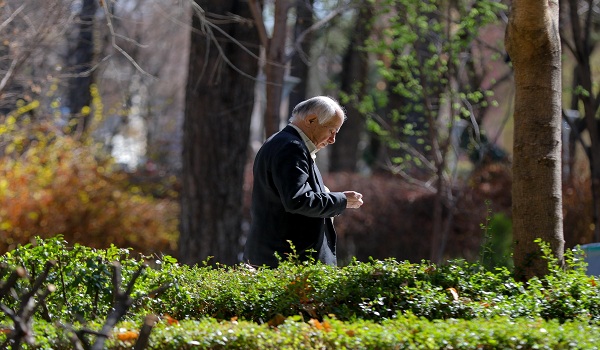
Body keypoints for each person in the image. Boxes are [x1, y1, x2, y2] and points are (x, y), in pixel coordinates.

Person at [243, 96, 364, 268]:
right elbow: (299, 200)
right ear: (311, 120)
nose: (332, 140)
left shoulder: (285, 143)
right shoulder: (291, 147)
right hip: (287, 261)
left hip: (281, 258)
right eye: (331, 131)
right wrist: (341, 200)